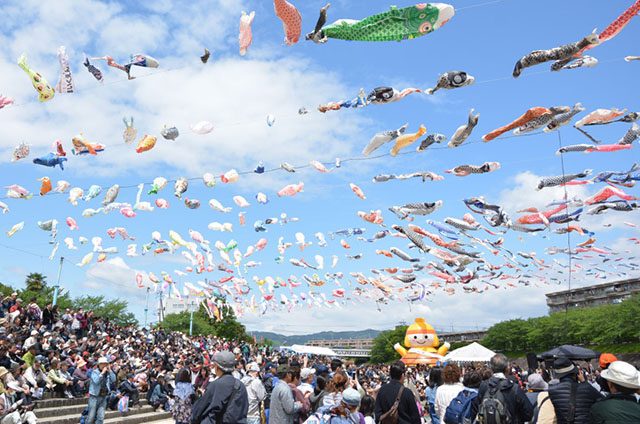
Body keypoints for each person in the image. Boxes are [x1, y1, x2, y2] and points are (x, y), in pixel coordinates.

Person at [470, 353, 533, 424]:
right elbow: (528, 413)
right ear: (507, 368)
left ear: (491, 368)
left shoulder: (483, 386)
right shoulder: (514, 387)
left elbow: (476, 409)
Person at [191, 351, 249, 424]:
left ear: (217, 367)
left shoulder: (215, 385)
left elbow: (198, 410)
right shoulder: (241, 385)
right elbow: (244, 409)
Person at [546, 357, 602, 424]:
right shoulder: (586, 388)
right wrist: (584, 382)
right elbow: (602, 401)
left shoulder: (552, 390)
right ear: (575, 373)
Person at [86, 357, 116, 424]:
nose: (104, 365)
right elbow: (96, 381)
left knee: (101, 417)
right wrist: (102, 373)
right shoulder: (94, 372)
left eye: (105, 364)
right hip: (94, 397)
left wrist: (110, 371)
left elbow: (114, 379)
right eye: (102, 364)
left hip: (103, 397)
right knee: (91, 417)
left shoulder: (108, 373)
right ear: (98, 365)